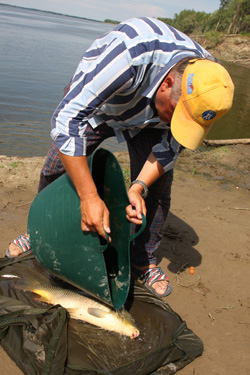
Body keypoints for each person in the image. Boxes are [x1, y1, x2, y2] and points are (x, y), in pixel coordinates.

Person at [6, 17, 234, 298]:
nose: (179, 123)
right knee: (56, 169)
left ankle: (143, 260)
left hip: (149, 118)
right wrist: (89, 197)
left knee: (158, 190)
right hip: (103, 103)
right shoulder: (130, 53)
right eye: (177, 114)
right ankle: (38, 232)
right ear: (168, 83)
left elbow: (171, 146)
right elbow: (66, 121)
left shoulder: (208, 81)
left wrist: (139, 186)